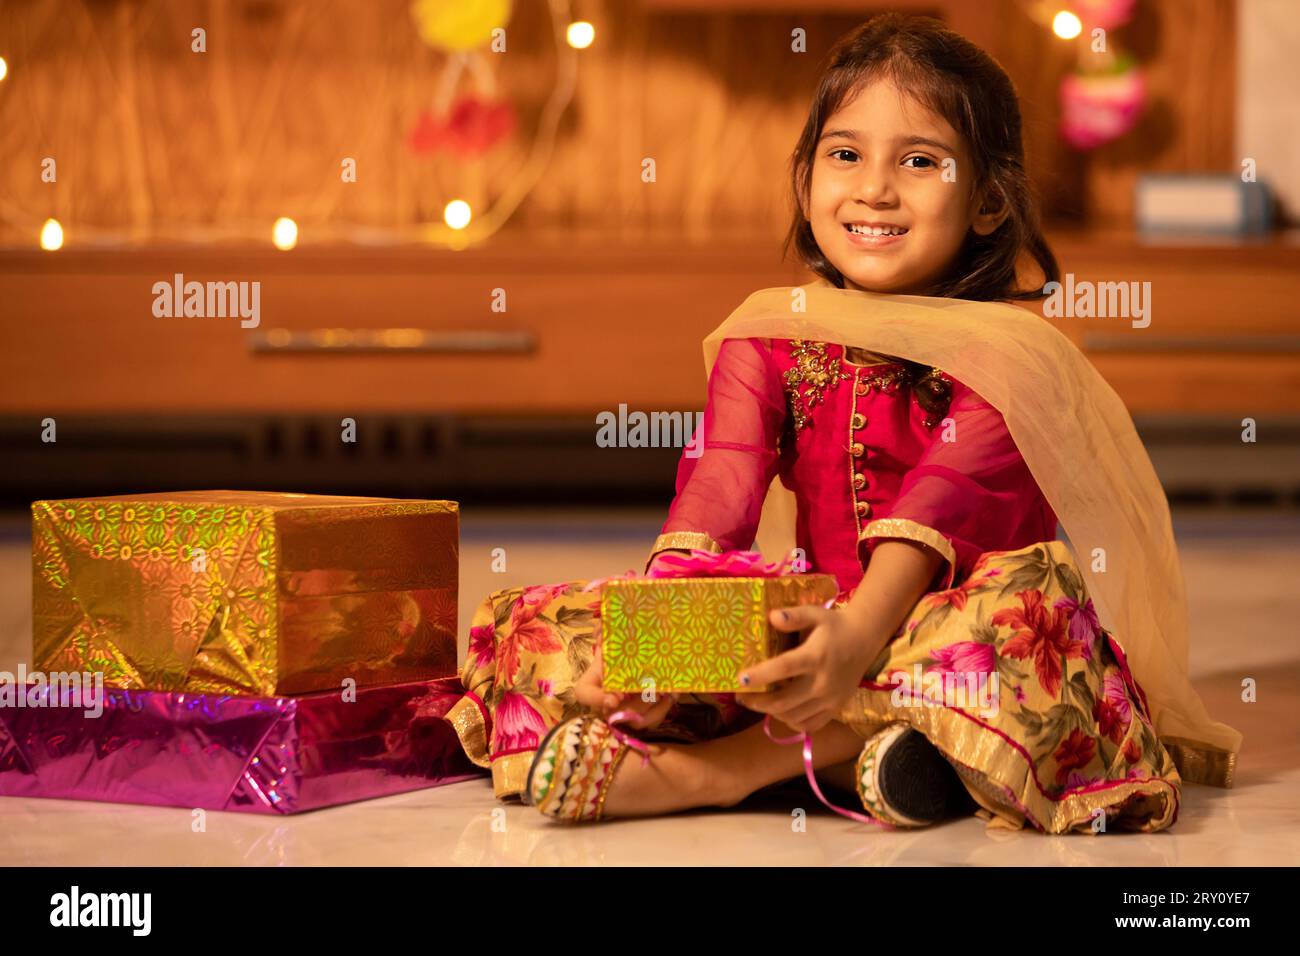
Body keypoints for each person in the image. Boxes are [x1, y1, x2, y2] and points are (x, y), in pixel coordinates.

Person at [444, 13, 1240, 832]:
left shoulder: (1013, 353)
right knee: (554, 625)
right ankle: (890, 753)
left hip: (943, 630)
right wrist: (659, 655)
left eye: (921, 162)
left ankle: (719, 771)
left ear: (991, 202)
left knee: (1029, 612)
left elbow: (941, 500)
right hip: (811, 629)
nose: (874, 190)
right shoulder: (768, 335)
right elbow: (717, 496)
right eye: (845, 154)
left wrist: (857, 638)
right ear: (805, 180)